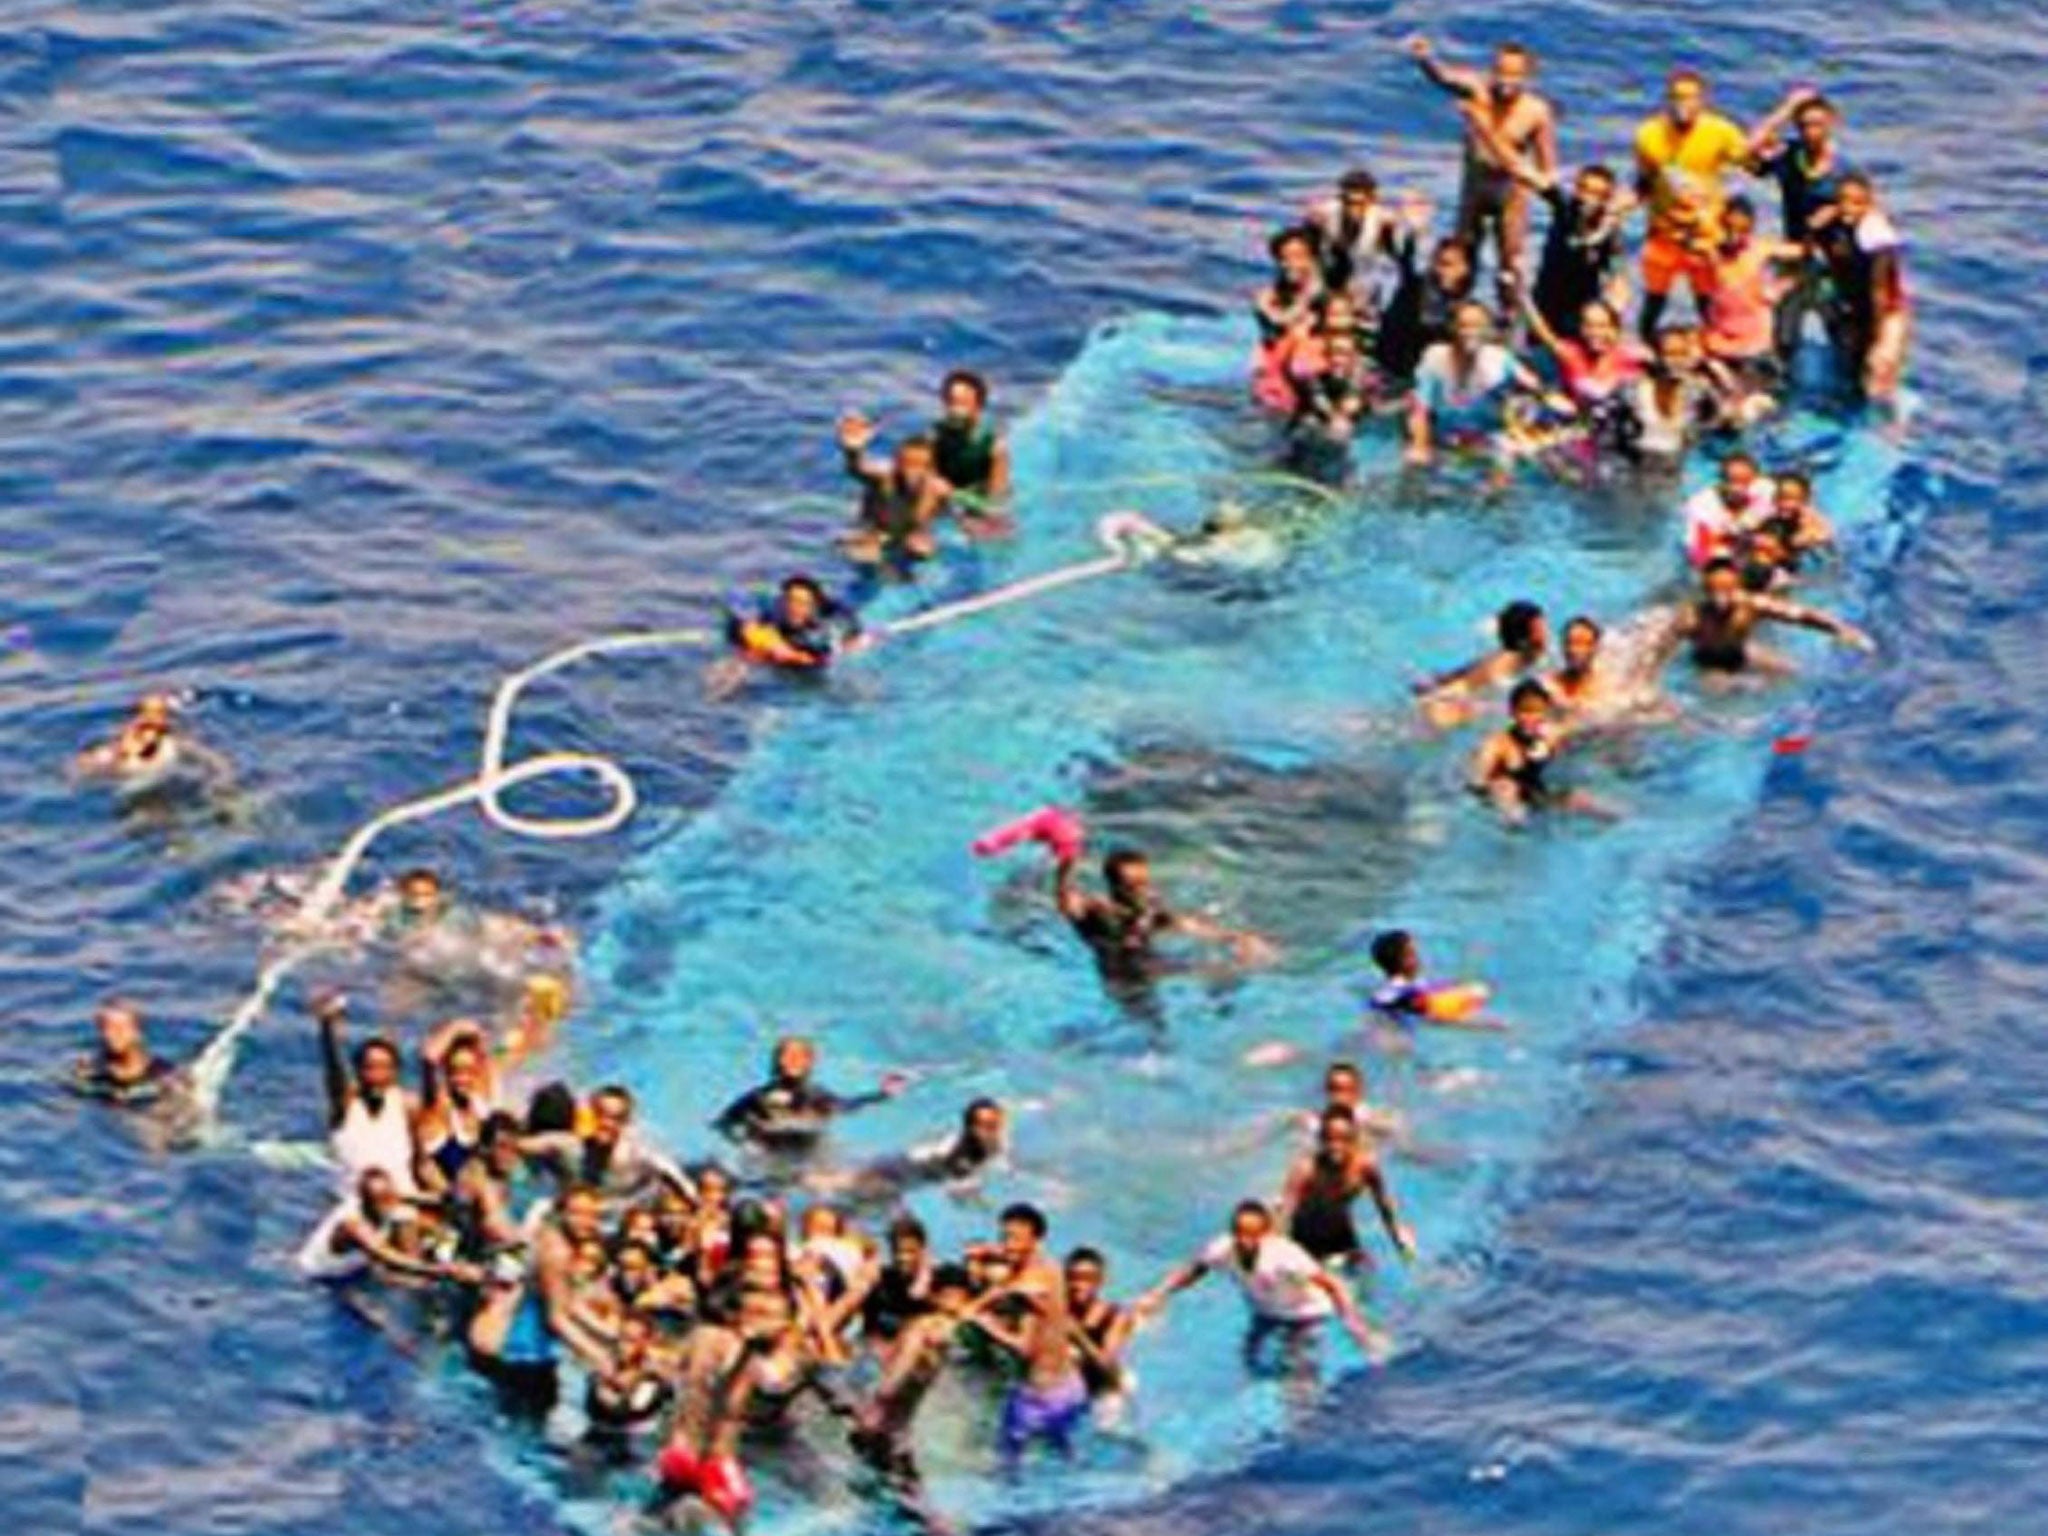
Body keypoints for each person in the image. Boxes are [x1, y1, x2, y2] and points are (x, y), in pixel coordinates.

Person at [1139, 1199, 1384, 1371]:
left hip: (1306, 1314)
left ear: (1264, 1233)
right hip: (1265, 1313)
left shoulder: (1285, 1256)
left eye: (1251, 1234)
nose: (1244, 1240)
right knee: (1251, 1360)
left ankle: (1302, 1411)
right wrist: (1158, 1294)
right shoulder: (1222, 1248)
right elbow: (1194, 1270)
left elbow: (1330, 1285)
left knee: (1299, 1366)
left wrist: (1355, 1325)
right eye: (1238, 1232)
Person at [1407, 37, 1557, 303]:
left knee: (1510, 263)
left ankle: (1508, 316)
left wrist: (1541, 186)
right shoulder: (1476, 90)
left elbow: (1547, 167)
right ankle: (1455, 312)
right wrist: (1425, 59)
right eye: (1500, 71)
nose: (1505, 80)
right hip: (1475, 187)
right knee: (1462, 257)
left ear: (1528, 76)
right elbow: (1442, 78)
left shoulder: (1536, 112)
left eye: (1514, 74)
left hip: (1511, 193)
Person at [1633, 68, 1756, 346]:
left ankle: (1716, 355)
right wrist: (1622, 205)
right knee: (1654, 302)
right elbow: (1645, 181)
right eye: (1676, 98)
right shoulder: (1648, 134)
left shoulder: (1721, 130)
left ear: (1703, 101)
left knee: (1708, 304)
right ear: (1667, 100)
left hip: (1705, 234)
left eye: (1690, 98)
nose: (1683, 105)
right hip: (1663, 232)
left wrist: (1762, 150)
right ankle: (1648, 354)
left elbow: (1750, 163)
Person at [847, 1262, 977, 1518]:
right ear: (936, 1297)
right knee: (926, 1517)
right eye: (950, 1297)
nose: (957, 1305)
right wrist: (868, 1414)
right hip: (882, 1433)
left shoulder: (939, 1330)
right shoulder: (921, 1330)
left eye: (961, 1298)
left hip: (885, 1432)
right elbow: (889, 1386)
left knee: (886, 1508)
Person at [967, 1203, 1091, 1467]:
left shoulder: (1029, 1288)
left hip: (1040, 1397)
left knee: (1004, 1463)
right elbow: (1010, 1274)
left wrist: (980, 1320)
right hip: (1071, 1387)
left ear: (1035, 1240)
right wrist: (990, 1251)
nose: (1007, 1245)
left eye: (1013, 1238)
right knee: (1065, 1454)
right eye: (1003, 1237)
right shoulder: (1052, 1267)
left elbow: (1023, 1348)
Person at [1054, 844, 1274, 985]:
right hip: (1122, 976)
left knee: (1218, 970)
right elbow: (1067, 901)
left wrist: (1236, 936)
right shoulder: (1099, 914)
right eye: (1135, 886)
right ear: (1116, 888)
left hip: (1150, 964)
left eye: (1146, 883)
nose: (1145, 891)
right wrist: (1066, 868)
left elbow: (1188, 925)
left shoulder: (1147, 911)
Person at [1746, 88, 1854, 363]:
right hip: (1794, 257)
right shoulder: (1790, 156)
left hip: (1832, 264)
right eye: (1803, 125)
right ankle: (1783, 376)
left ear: (1832, 124)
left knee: (1839, 328)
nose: (1810, 132)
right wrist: (1786, 108)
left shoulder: (1843, 171)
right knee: (1784, 332)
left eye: (1817, 124)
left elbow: (1864, 208)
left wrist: (1834, 210)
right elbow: (1748, 152)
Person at [1652, 556, 1875, 678]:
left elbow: (1801, 615)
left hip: (1742, 654)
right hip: (1709, 665)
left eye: (1727, 590)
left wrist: (1841, 629)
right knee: (1724, 694)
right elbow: (1660, 652)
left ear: (1737, 587)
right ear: (1705, 590)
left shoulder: (1751, 605)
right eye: (1714, 591)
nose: (1721, 598)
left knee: (1795, 673)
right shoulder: (1690, 617)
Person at [651, 1292, 761, 1534]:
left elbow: (671, 1371)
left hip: (681, 1451)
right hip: (715, 1464)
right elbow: (725, 1382)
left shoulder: (699, 1336)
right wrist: (748, 1353)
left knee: (660, 1519)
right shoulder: (736, 1346)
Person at [1403, 302, 1548, 478]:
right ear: (1452, 327)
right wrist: (1420, 445)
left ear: (1488, 330)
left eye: (1478, 326)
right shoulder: (1435, 358)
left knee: (1505, 457)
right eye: (1464, 326)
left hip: (1489, 440)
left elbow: (1539, 390)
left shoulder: (1500, 359)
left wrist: (1527, 430)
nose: (1470, 333)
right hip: (1446, 439)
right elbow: (1420, 408)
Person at [712, 1036, 907, 1159]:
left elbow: (846, 1106)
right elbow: (721, 1123)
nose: (793, 1060)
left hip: (812, 1159)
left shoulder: (817, 1095)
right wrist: (744, 1142)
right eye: (787, 1055)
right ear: (777, 1061)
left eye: (800, 1056)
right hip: (772, 1160)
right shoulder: (759, 1097)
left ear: (809, 1063)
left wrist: (882, 1094)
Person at [1812, 171, 1911, 403]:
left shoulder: (1877, 237)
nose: (1849, 208)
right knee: (1847, 364)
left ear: (1869, 204)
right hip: (1851, 304)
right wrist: (1814, 227)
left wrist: (1877, 339)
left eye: (1857, 203)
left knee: (1878, 371)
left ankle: (1889, 419)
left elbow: (1879, 291)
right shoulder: (1833, 227)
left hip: (1886, 312)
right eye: (1843, 201)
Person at [1278, 1106, 1416, 1270]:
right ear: (1320, 1139)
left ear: (1355, 1139)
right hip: (1305, 1236)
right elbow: (1285, 1214)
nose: (1336, 1145)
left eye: (1344, 1139)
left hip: (1341, 1233)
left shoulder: (1365, 1167)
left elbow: (1383, 1203)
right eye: (1329, 1139)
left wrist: (1397, 1236)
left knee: (1368, 1269)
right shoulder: (1306, 1170)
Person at [314, 992, 421, 1198]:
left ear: (395, 1073)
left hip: (403, 1200)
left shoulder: (408, 1106)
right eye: (369, 1068)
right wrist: (327, 1028)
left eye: (384, 1068)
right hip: (354, 1206)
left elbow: (421, 1161)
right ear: (358, 1072)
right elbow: (335, 1072)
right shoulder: (345, 1106)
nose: (376, 1076)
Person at [809, 1097, 1009, 1204]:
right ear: (969, 1127)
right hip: (907, 1166)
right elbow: (955, 1191)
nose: (988, 1131)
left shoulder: (997, 1138)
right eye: (981, 1125)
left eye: (993, 1124)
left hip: (914, 1161)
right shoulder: (960, 1157)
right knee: (847, 1185)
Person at [523, 1083, 691, 1209]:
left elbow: (680, 1181)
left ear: (626, 1122)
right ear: (590, 1114)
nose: (605, 1123)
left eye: (615, 1118)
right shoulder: (569, 1147)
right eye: (600, 1114)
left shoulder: (639, 1157)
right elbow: (513, 1144)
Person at [296, 1167, 469, 1287]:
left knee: (425, 1227)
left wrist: (458, 1200)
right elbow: (387, 1256)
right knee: (380, 1322)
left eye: (390, 1196)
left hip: (359, 1264)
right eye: (382, 1200)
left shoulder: (384, 1197)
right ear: (366, 1201)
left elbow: (421, 1199)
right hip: (324, 1278)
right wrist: (439, 1271)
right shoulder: (354, 1226)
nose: (390, 1204)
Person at [1469, 679, 1610, 824]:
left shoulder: (1550, 736)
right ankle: (1514, 826)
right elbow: (1475, 785)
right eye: (1524, 711)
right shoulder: (1497, 744)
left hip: (1536, 797)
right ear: (1512, 712)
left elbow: (1584, 730)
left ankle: (1623, 821)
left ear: (1546, 712)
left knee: (1578, 797)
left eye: (1538, 711)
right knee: (1506, 786)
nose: (1531, 718)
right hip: (1501, 800)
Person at [1703, 196, 1804, 384]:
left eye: (1742, 230)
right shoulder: (1711, 252)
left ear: (1751, 228)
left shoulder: (1761, 249)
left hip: (1756, 339)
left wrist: (1781, 286)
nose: (1734, 235)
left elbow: (1805, 253)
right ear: (1720, 225)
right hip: (1721, 337)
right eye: (1728, 228)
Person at [838, 414, 953, 570]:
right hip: (874, 534)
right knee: (866, 555)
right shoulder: (883, 475)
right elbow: (858, 469)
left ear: (930, 468)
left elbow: (947, 519)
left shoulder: (937, 490)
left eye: (919, 465)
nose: (912, 470)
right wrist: (853, 450)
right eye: (906, 463)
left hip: (907, 536)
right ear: (896, 462)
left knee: (923, 551)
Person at [1415, 598, 1549, 729]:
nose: (1546, 634)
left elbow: (1464, 673)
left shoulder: (1507, 655)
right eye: (1541, 629)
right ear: (1524, 639)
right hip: (1442, 708)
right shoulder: (1505, 664)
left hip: (1443, 697)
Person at [72, 693, 234, 797]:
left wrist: (222, 778)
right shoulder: (173, 742)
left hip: (143, 784)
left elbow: (215, 761)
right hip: (142, 784)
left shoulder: (114, 746)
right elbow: (215, 761)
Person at [1375, 235, 1476, 389]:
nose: (1439, 271)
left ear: (1464, 269)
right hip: (1402, 378)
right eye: (1437, 263)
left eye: (1447, 265)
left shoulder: (1471, 307)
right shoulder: (1416, 293)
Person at [415, 1018, 500, 1192]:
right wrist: (457, 1027)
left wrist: (475, 1035)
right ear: (446, 1074)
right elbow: (429, 1059)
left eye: (469, 1072)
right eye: (455, 1072)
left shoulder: (480, 1102)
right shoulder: (436, 1107)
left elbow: (485, 1057)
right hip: (445, 1199)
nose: (463, 1079)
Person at [1306, 168, 1403, 314]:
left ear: (1371, 201)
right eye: (1348, 203)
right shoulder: (1324, 214)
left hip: (1369, 270)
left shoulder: (1385, 220)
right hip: (1334, 265)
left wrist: (1388, 234)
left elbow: (1394, 261)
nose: (1353, 210)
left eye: (1359, 204)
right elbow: (1311, 253)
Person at [1253, 226, 1328, 411]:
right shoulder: (1268, 297)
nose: (1291, 264)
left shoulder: (1325, 295)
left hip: (1312, 375)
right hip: (1276, 375)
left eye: (1299, 256)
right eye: (1284, 258)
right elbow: (1274, 322)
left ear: (1313, 259)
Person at [1366, 930, 1500, 1032]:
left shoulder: (1412, 987)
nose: (1420, 957)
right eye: (1415, 952)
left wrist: (1473, 962)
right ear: (1407, 961)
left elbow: (1452, 986)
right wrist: (1493, 1024)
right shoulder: (1400, 995)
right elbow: (1436, 1016)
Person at [724, 575, 861, 672]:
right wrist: (769, 645)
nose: (794, 607)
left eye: (802, 603)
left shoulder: (823, 630)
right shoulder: (772, 618)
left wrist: (794, 656)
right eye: (790, 600)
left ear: (813, 608)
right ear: (781, 602)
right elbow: (739, 627)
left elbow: (848, 636)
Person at [1064, 1247, 1137, 1416]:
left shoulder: (1116, 1316)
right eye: (1072, 1278)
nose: (1078, 1285)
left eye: (1087, 1279)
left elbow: (1108, 1367)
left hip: (1106, 1388)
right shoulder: (1058, 1309)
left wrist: (1077, 1335)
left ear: (1100, 1281)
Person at [931, 369, 1012, 518]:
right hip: (947, 504)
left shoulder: (995, 447)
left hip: (978, 505)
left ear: (978, 406)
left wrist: (954, 494)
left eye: (963, 403)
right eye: (950, 402)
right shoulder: (937, 435)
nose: (955, 410)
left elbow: (997, 506)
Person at [70, 1000, 183, 1106]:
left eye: (119, 1029)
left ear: (137, 1032)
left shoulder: (164, 1075)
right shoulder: (89, 1071)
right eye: (105, 1029)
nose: (109, 1036)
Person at [1683, 451, 1776, 567]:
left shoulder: (1766, 491)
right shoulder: (1704, 503)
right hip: (1717, 557)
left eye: (1747, 482)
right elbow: (1699, 554)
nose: (1741, 488)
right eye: (1733, 481)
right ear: (1723, 482)